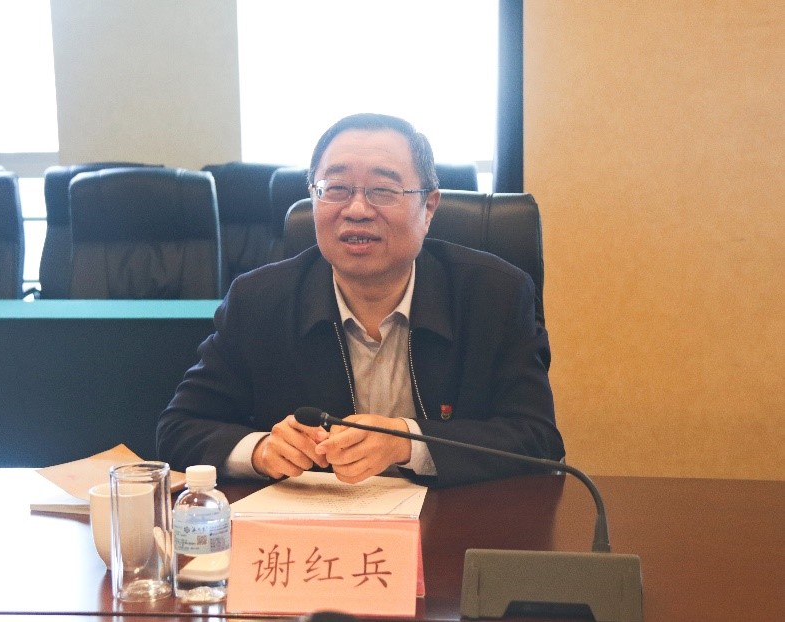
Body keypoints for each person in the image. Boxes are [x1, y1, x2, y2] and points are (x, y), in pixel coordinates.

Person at [157, 113, 564, 488]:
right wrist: (260, 450)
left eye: (382, 191)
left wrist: (408, 441)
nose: (356, 210)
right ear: (313, 198)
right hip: (314, 529)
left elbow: (537, 438)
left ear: (429, 207)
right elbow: (179, 427)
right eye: (335, 189)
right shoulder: (258, 301)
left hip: (452, 526)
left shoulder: (495, 295)